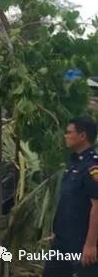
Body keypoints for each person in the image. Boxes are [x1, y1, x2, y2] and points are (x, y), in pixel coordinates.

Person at [43, 116, 98, 276]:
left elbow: (96, 206)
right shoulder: (73, 163)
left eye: (69, 132)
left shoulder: (92, 167)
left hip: (82, 241)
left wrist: (91, 245)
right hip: (62, 240)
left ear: (82, 136)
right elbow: (67, 201)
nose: (65, 136)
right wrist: (56, 231)